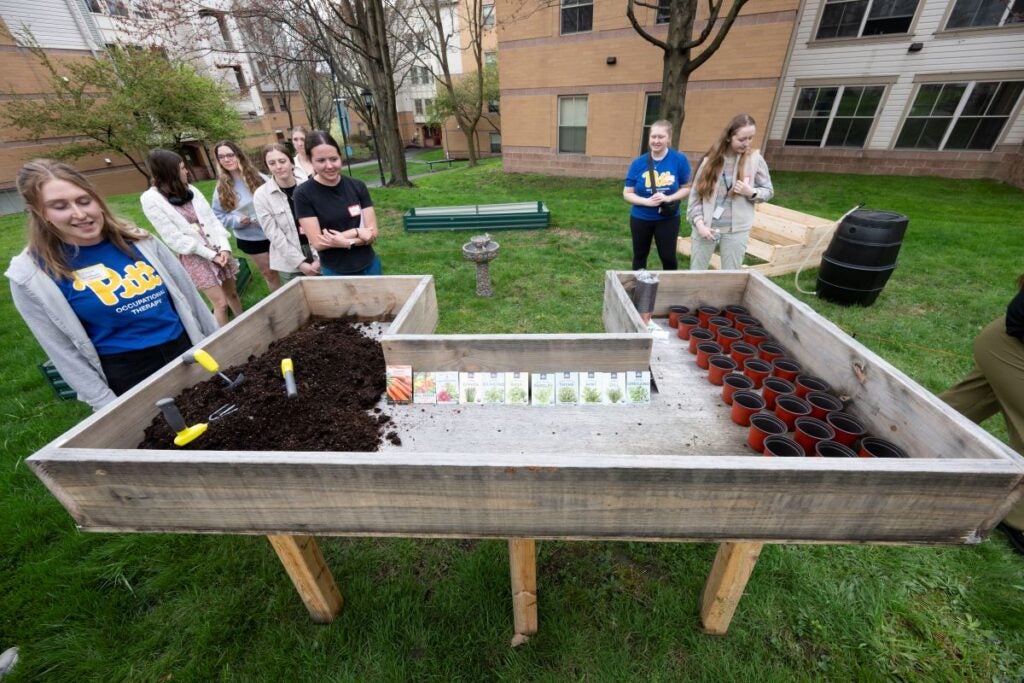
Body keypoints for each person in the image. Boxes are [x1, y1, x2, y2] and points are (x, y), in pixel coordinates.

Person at [6, 159, 218, 410]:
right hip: (128, 374)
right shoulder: (29, 276)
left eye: (84, 201)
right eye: (60, 206)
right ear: (40, 212)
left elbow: (190, 298)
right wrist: (107, 406)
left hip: (186, 349)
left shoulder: (141, 241)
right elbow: (62, 353)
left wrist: (217, 345)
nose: (80, 214)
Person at [940, 275, 1024, 555]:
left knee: (953, 412)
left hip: (1006, 342)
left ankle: (900, 432)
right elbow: (1019, 317)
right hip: (1012, 345)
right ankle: (1018, 520)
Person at [141, 148, 243, 326]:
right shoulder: (151, 199)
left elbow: (212, 220)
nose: (186, 171)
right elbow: (174, 238)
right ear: (169, 172)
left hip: (218, 249)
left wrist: (224, 247)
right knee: (220, 303)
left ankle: (245, 322)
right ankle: (224, 339)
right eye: (181, 168)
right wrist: (212, 256)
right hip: (196, 256)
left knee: (232, 294)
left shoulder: (192, 190)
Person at [686, 113, 774, 271]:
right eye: (742, 139)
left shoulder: (755, 160)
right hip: (706, 229)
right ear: (729, 137)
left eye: (750, 138)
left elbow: (768, 191)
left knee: (732, 274)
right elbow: (695, 199)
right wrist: (700, 225)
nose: (747, 143)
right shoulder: (709, 162)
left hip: (736, 231)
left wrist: (752, 192)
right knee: (696, 273)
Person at [293, 130, 381, 276]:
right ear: (311, 161)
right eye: (321, 161)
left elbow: (372, 233)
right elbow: (318, 243)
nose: (329, 166)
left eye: (333, 159)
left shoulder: (357, 186)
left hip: (369, 265)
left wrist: (347, 242)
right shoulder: (303, 194)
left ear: (340, 157)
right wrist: (357, 232)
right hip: (335, 270)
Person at [211, 140, 281, 291]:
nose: (227, 159)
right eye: (221, 157)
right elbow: (217, 215)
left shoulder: (260, 178)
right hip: (251, 238)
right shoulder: (221, 188)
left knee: (290, 267)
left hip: (274, 231)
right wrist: (237, 220)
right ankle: (282, 305)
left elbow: (277, 200)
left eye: (230, 155)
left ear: (239, 155)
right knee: (269, 273)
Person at [622, 119, 691, 270]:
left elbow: (686, 188)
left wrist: (669, 198)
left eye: (661, 137)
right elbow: (627, 193)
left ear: (669, 138)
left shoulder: (679, 160)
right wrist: (645, 201)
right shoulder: (638, 163)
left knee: (668, 257)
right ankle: (640, 288)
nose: (656, 141)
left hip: (668, 218)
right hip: (641, 218)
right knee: (640, 256)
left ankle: (670, 288)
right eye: (653, 137)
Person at [253, 143, 320, 283]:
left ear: (291, 162)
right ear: (267, 167)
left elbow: (323, 220)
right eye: (272, 163)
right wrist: (300, 263)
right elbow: (273, 233)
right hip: (289, 260)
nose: (278, 166)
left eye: (282, 161)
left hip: (318, 250)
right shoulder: (261, 195)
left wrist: (319, 258)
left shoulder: (310, 186)